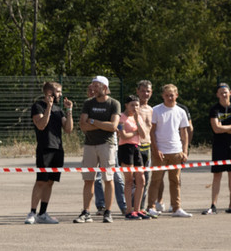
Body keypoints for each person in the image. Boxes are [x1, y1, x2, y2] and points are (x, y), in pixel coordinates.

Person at [75, 75, 122, 224]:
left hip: (106, 145)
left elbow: (113, 127)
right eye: (93, 85)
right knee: (88, 180)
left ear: (105, 88)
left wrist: (94, 121)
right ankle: (86, 212)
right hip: (89, 145)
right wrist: (103, 124)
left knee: (108, 179)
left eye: (97, 85)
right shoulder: (88, 103)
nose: (93, 88)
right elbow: (83, 125)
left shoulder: (114, 103)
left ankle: (107, 212)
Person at [26, 81, 73, 224]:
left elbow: (68, 129)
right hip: (44, 148)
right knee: (40, 181)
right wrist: (49, 107)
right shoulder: (38, 106)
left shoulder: (59, 110)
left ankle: (43, 213)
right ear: (49, 93)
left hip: (58, 149)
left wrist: (69, 110)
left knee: (50, 182)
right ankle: (32, 213)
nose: (60, 94)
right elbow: (41, 125)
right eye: (58, 91)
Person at [148, 84, 193, 217]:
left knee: (175, 180)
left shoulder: (181, 111)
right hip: (160, 152)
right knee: (156, 179)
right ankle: (151, 207)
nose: (169, 98)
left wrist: (184, 151)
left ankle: (176, 208)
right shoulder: (156, 110)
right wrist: (156, 150)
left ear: (176, 95)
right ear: (163, 96)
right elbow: (152, 132)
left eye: (172, 95)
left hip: (176, 151)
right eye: (167, 95)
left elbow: (184, 132)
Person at [204, 83, 231, 215]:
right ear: (217, 94)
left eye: (225, 92)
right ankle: (213, 205)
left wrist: (227, 128)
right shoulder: (215, 109)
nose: (223, 94)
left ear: (230, 93)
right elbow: (216, 128)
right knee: (217, 176)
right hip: (218, 146)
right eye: (221, 92)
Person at [117, 95, 151, 220]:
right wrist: (135, 132)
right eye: (132, 105)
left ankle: (138, 209)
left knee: (141, 179)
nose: (135, 107)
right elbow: (123, 135)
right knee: (129, 180)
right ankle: (129, 210)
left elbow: (143, 134)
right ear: (126, 105)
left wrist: (137, 120)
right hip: (125, 149)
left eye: (137, 105)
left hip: (137, 148)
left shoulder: (138, 117)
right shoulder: (121, 117)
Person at [134, 80, 156, 213]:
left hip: (147, 147)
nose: (145, 94)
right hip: (135, 145)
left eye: (148, 91)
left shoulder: (152, 110)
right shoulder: (134, 108)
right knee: (134, 180)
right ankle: (131, 207)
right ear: (137, 91)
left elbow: (153, 131)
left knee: (146, 179)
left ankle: (141, 207)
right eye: (142, 91)